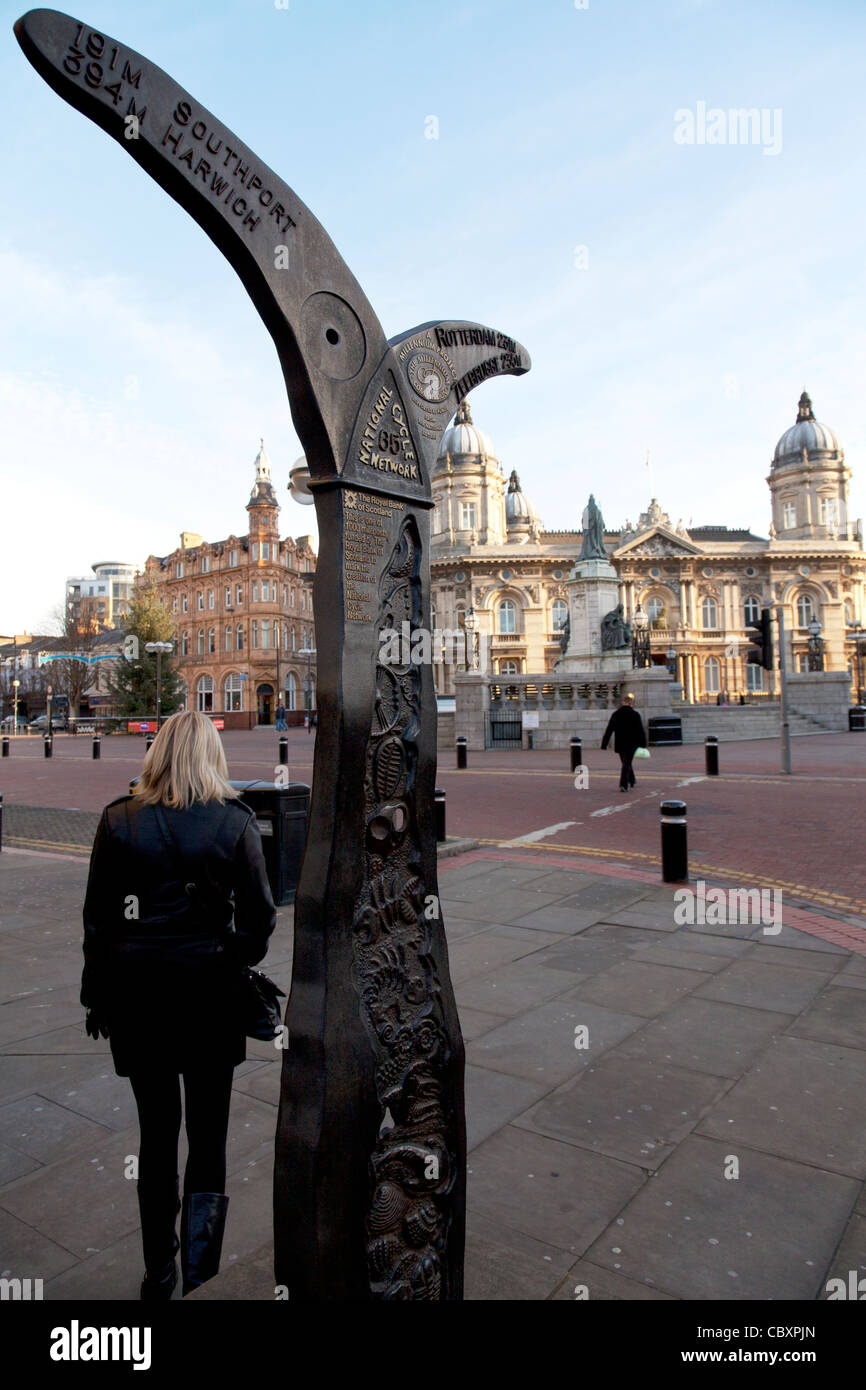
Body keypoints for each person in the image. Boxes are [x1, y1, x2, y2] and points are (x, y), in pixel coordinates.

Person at [80, 711, 276, 1301]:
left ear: (158, 753)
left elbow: (98, 922)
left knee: (156, 1136)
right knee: (209, 1137)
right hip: (210, 998)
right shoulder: (234, 822)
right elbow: (261, 919)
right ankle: (198, 1267)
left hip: (139, 999)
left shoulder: (119, 820)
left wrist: (98, 995)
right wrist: (223, 952)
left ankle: (157, 1272)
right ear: (210, 755)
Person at [601, 693, 648, 792]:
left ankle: (631, 780)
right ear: (631, 703)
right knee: (627, 763)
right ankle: (624, 784)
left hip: (620, 742)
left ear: (623, 703)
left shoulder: (616, 714)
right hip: (632, 743)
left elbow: (609, 729)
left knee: (625, 762)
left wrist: (604, 743)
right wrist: (643, 744)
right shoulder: (635, 714)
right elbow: (640, 730)